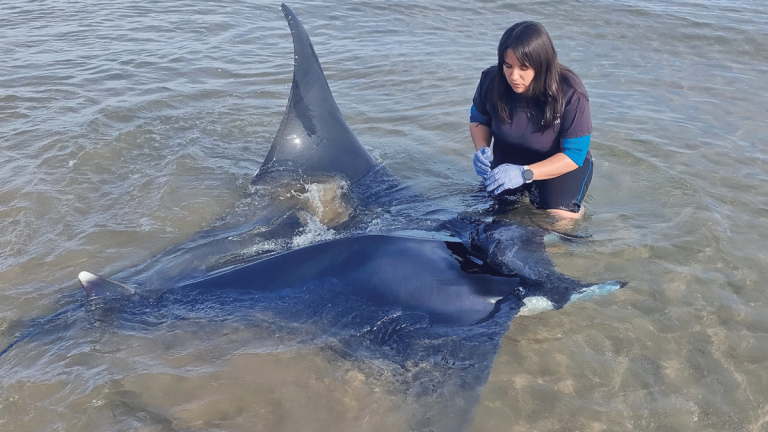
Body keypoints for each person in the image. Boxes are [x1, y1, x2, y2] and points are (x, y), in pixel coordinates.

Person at [470, 21, 593, 219]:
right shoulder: (491, 80)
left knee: (558, 220)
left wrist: (524, 174)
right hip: (509, 159)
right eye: (507, 66)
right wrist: (481, 149)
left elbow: (575, 154)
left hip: (559, 165)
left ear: (542, 65)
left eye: (524, 68)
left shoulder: (571, 92)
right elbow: (478, 120)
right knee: (490, 213)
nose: (514, 76)